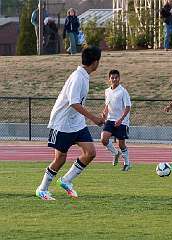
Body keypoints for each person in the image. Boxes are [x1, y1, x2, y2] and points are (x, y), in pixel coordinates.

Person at [35, 46, 104, 201]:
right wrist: (94, 118)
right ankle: (42, 189)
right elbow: (73, 102)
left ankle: (66, 180)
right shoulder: (78, 77)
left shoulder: (84, 75)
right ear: (95, 62)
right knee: (60, 159)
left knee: (90, 153)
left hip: (76, 123)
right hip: (62, 123)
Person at [100, 69, 132, 171]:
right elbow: (107, 104)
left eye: (116, 77)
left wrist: (121, 119)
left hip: (121, 121)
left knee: (121, 144)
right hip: (110, 119)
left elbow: (128, 107)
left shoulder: (123, 91)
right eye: (112, 78)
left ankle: (127, 163)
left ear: (119, 78)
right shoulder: (107, 91)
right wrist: (104, 113)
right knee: (104, 139)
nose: (114, 79)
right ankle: (115, 153)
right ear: (109, 79)